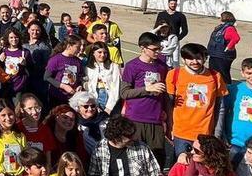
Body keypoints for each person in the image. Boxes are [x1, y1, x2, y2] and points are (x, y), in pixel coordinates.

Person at [166, 43, 228, 160]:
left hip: (205, 134)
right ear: (183, 59)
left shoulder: (215, 76)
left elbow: (221, 107)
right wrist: (170, 127)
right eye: (190, 58)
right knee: (183, 167)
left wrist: (217, 133)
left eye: (198, 58)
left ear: (205, 58)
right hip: (181, 133)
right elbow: (169, 104)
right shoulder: (174, 74)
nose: (194, 62)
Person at [119, 32, 170, 166]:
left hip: (155, 120)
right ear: (143, 48)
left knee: (157, 159)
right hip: (135, 119)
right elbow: (124, 93)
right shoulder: (132, 66)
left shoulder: (162, 66)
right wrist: (147, 89)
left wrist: (166, 113)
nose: (158, 52)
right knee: (135, 160)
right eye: (154, 49)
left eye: (159, 48)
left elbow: (165, 93)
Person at [44, 35, 85, 107]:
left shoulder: (78, 61)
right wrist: (63, 86)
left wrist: (79, 86)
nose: (79, 49)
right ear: (69, 46)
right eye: (77, 47)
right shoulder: (56, 59)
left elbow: (80, 77)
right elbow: (46, 77)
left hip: (72, 97)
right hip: (57, 96)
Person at [83, 42, 121, 114]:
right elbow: (88, 86)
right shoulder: (88, 68)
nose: (102, 55)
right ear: (93, 53)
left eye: (105, 52)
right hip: (95, 100)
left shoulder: (113, 66)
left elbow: (116, 87)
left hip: (110, 99)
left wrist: (109, 107)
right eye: (99, 52)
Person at [206, 11, 241, 83]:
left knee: (223, 74)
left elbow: (236, 38)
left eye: (221, 17)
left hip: (222, 55)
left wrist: (228, 47)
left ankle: (227, 88)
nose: (219, 18)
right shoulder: (221, 27)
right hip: (215, 53)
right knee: (214, 72)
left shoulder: (229, 28)